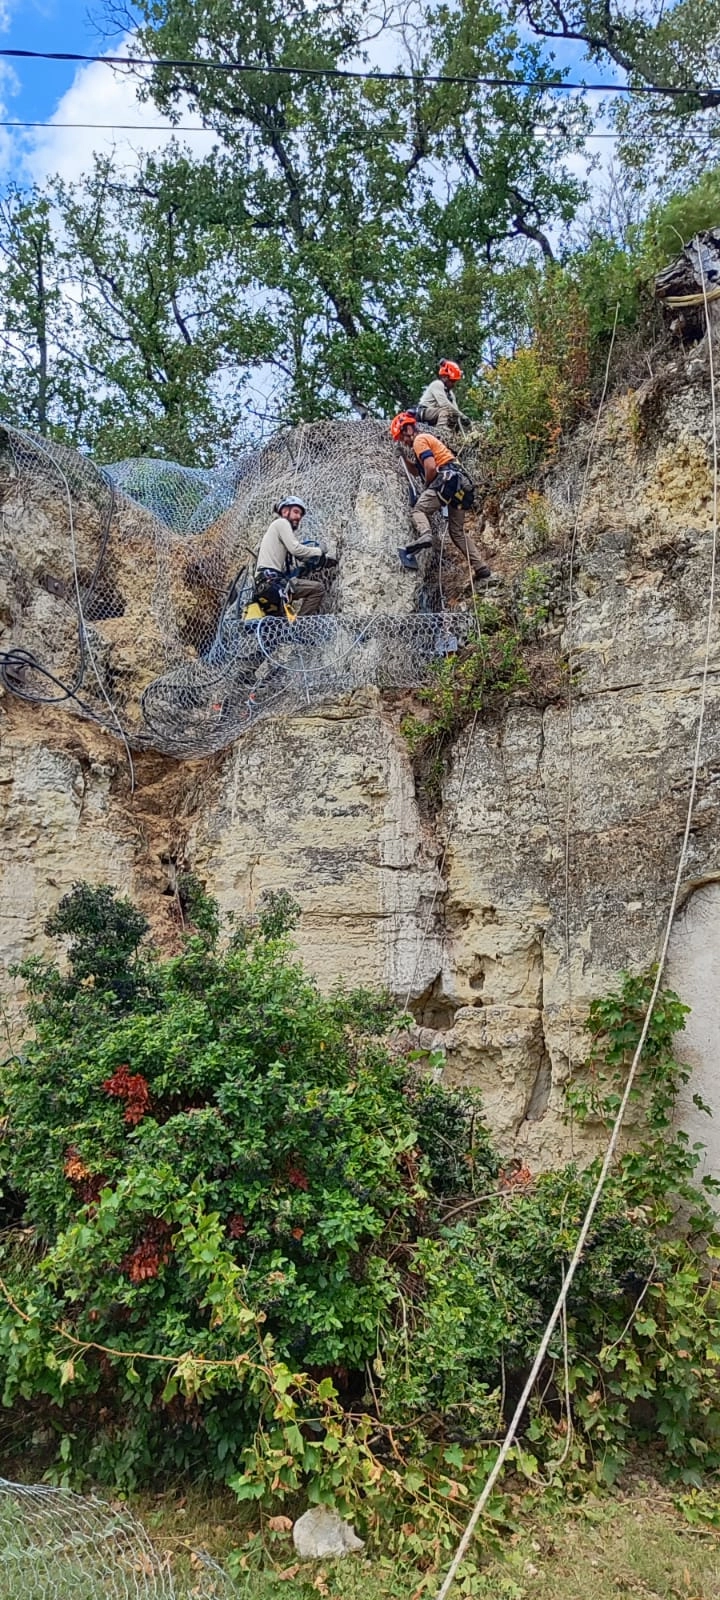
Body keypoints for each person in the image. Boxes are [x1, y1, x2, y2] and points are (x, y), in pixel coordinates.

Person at [390, 412, 491, 578]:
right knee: (456, 532)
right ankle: (481, 568)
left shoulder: (419, 440)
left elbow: (430, 467)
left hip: (446, 480)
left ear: (408, 428)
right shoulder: (423, 443)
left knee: (418, 510)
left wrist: (428, 487)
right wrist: (403, 457)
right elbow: (417, 471)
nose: (403, 441)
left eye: (402, 437)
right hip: (461, 486)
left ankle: (425, 535)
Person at [253, 496, 332, 617]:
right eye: (296, 512)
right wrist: (319, 551)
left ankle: (291, 630)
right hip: (273, 582)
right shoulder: (281, 523)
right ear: (285, 511)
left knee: (280, 626)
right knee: (318, 589)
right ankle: (298, 627)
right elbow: (296, 549)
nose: (298, 517)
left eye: (300, 514)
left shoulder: (275, 533)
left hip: (265, 586)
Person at [415, 359, 469, 431]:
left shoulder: (450, 393)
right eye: (452, 381)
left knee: (453, 416)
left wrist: (463, 418)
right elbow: (444, 404)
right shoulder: (437, 384)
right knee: (445, 411)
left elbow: (455, 409)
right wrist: (462, 415)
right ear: (445, 377)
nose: (454, 384)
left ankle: (451, 435)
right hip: (424, 412)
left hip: (435, 414)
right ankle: (441, 432)